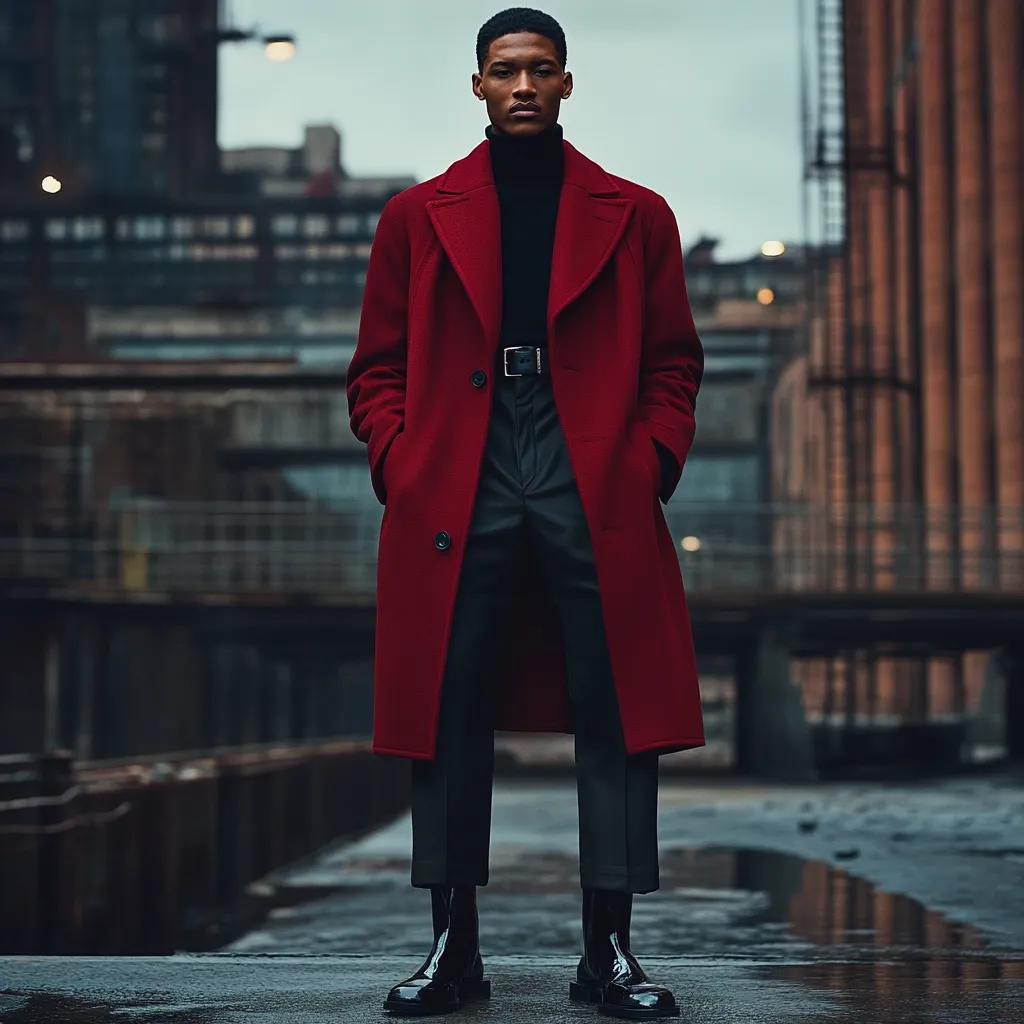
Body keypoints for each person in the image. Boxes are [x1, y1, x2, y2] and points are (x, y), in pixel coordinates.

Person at [347, 7, 704, 1018]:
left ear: (566, 83)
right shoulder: (417, 216)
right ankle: (452, 950)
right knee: (446, 708)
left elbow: (674, 360)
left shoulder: (636, 214)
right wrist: (402, 461)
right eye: (503, 69)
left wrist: (649, 461)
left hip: (591, 459)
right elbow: (374, 367)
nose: (521, 85)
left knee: (616, 707)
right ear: (476, 84)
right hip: (458, 462)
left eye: (540, 69)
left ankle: (610, 953)